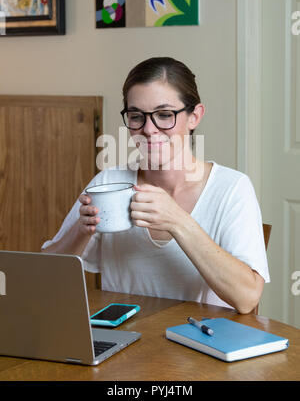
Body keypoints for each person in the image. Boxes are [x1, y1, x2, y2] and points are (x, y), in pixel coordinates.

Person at [42, 57, 270, 314]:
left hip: (199, 347)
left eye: (164, 115)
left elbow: (247, 298)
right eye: (136, 116)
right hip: (123, 345)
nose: (149, 129)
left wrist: (178, 222)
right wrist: (80, 232)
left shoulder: (231, 189)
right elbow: (46, 278)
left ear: (194, 116)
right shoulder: (109, 183)